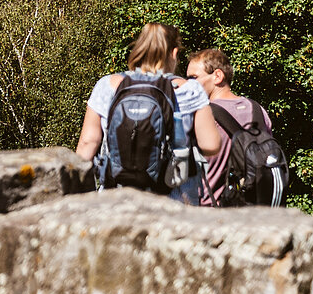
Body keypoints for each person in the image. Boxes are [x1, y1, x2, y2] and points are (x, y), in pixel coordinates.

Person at [74, 23, 219, 198]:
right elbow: (210, 145)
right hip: (174, 201)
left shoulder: (107, 85)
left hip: (116, 198)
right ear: (173, 53)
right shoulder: (189, 90)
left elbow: (87, 144)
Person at [188, 47, 288, 206]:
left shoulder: (202, 114)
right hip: (254, 212)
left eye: (194, 78)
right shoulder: (258, 110)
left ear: (217, 76)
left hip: (210, 212)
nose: (189, 84)